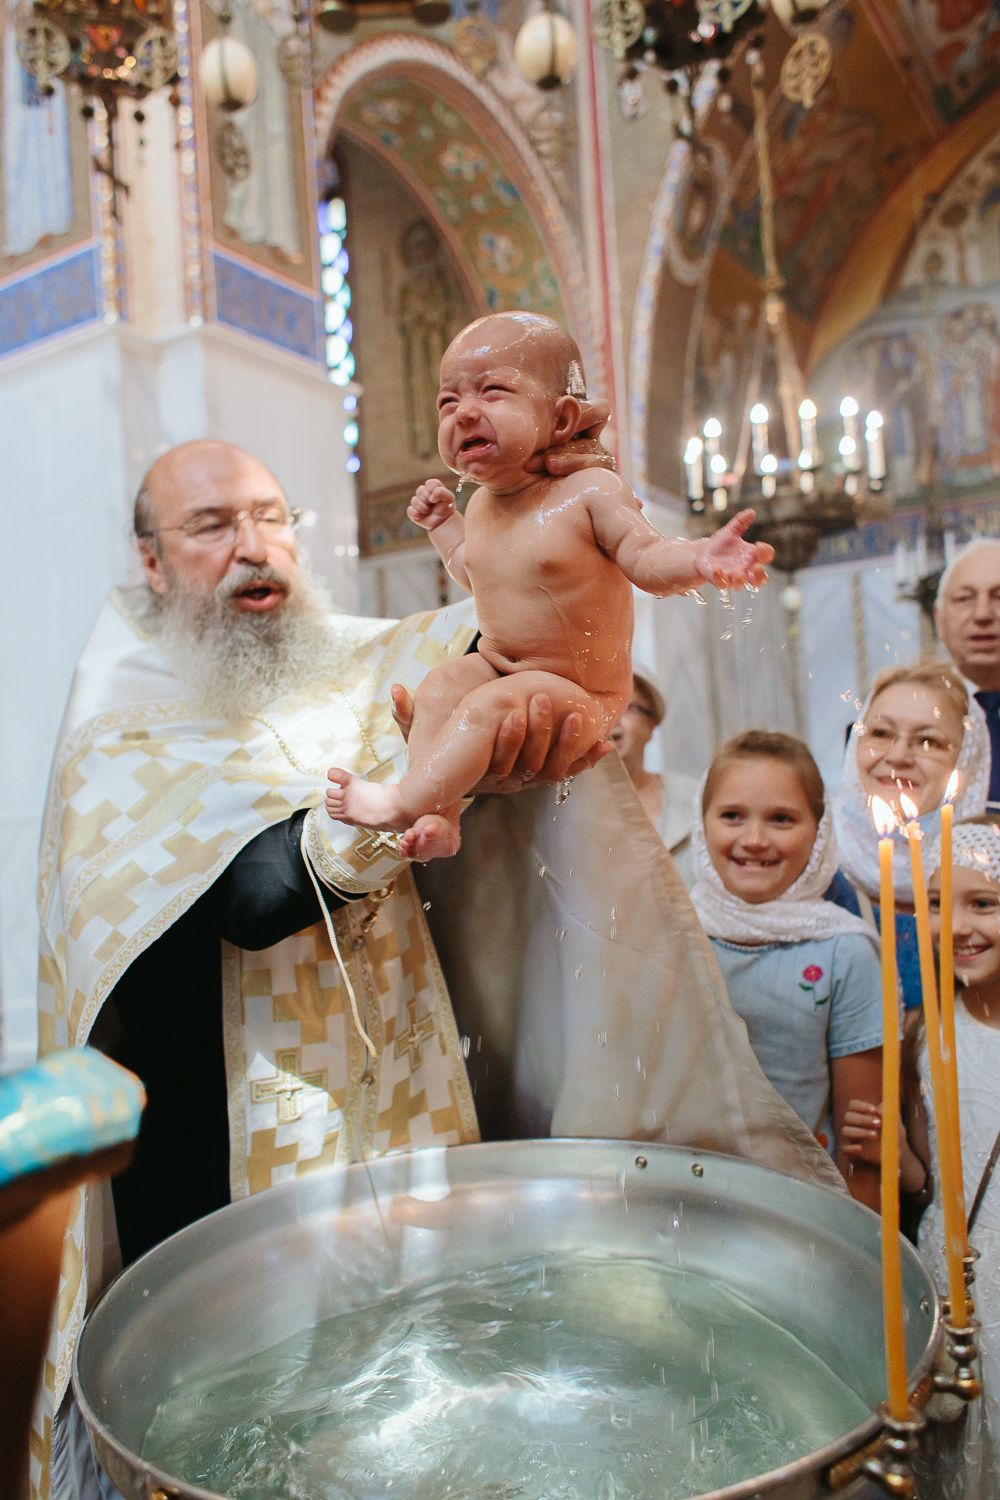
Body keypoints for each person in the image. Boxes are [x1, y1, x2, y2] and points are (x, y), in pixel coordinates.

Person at [35, 438, 841, 1500]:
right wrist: (378, 825)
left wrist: (550, 540)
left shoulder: (354, 662)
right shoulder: (119, 716)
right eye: (212, 527)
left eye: (271, 517)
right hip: (212, 1163)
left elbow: (495, 645)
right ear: (150, 561)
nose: (253, 548)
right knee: (258, 1436)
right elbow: (244, 897)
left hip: (406, 1118)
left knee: (421, 1401)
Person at [325, 311, 772, 859]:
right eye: (447, 402)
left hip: (583, 691)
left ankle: (401, 803)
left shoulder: (590, 491)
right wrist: (445, 528)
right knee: (441, 688)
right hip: (501, 663)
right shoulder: (483, 502)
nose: (464, 412)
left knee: (487, 707)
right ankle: (439, 818)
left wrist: (701, 557)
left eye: (493, 392)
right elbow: (474, 572)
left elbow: (646, 557)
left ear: (560, 420)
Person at [843, 822, 1000, 1497]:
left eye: (984, 903)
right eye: (937, 902)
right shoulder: (921, 1029)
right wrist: (897, 1158)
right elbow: (932, 1183)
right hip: (946, 1270)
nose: (956, 925)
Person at [691, 730, 884, 1207]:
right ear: (702, 824)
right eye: (732, 816)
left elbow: (863, 1133)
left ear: (819, 833)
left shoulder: (845, 951)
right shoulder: (673, 933)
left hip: (804, 1205)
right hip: (688, 1198)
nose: (754, 840)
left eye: (782, 819)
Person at [830, 661, 989, 1011]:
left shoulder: (990, 869)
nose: (898, 755)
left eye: (929, 741)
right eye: (881, 734)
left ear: (968, 760)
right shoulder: (809, 862)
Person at [609, 670, 697, 887]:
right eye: (599, 708)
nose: (610, 721)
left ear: (652, 725)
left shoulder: (695, 796)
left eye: (625, 708)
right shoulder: (562, 803)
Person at [935, 537, 1000, 814]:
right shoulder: (911, 716)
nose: (983, 614)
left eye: (999, 596)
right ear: (939, 620)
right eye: (965, 598)